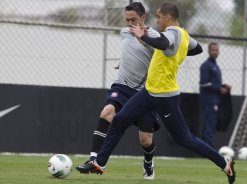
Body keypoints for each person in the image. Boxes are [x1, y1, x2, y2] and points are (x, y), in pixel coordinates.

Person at [83, 2, 236, 184]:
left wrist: (145, 37)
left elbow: (163, 43)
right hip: (149, 92)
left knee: (184, 139)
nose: (157, 21)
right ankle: (99, 163)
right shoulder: (184, 36)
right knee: (119, 120)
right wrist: (176, 52)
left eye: (158, 17)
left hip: (165, 96)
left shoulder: (172, 33)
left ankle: (225, 163)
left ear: (167, 17)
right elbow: (197, 49)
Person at [75, 2, 161, 180]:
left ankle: (148, 162)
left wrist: (143, 39)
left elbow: (159, 60)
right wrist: (122, 63)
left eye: (134, 20)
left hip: (143, 93)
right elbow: (131, 53)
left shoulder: (154, 36)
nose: (130, 23)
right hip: (121, 86)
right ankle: (93, 159)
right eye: (127, 20)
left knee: (146, 140)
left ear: (143, 18)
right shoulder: (124, 33)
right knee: (107, 112)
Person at [199, 42, 232, 148]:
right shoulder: (206, 65)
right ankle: (210, 150)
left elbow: (213, 82)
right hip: (208, 101)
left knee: (211, 126)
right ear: (208, 51)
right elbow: (204, 83)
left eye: (216, 50)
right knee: (209, 126)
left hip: (215, 101)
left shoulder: (215, 66)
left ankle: (206, 150)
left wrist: (224, 86)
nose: (215, 52)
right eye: (213, 50)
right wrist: (219, 89)